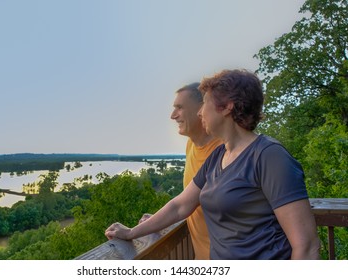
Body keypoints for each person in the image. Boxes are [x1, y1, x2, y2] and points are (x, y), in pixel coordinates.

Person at [105, 69, 320, 259]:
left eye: (205, 103)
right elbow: (180, 206)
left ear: (227, 107)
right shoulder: (218, 156)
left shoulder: (269, 156)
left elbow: (307, 247)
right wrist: (132, 232)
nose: (200, 112)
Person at [140, 83, 222, 260]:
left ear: (201, 109)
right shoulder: (191, 144)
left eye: (179, 107)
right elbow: (188, 200)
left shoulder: (225, 152)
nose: (173, 115)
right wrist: (157, 221)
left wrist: (131, 232)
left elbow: (181, 207)